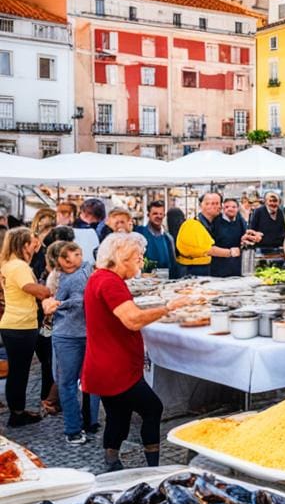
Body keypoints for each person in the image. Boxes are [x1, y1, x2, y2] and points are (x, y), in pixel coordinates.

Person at [82, 233, 193, 471]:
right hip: (115, 367)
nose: (141, 263)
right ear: (121, 259)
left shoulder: (98, 277)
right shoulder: (110, 282)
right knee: (152, 408)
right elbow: (132, 320)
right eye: (138, 258)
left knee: (118, 416)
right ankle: (152, 466)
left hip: (104, 363)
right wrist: (167, 307)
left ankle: (112, 461)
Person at [42, 241, 100, 443]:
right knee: (68, 383)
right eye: (64, 257)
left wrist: (58, 304)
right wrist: (51, 303)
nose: (70, 260)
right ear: (57, 260)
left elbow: (82, 299)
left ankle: (89, 422)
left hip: (85, 334)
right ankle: (73, 428)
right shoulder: (58, 277)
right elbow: (51, 300)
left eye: (73, 254)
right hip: (67, 335)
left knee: (89, 381)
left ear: (80, 253)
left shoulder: (88, 270)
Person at [0, 228, 53, 426]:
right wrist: (47, 290)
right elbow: (30, 289)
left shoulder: (8, 264)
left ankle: (17, 410)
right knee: (19, 372)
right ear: (23, 244)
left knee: (17, 371)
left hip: (13, 323)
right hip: (21, 325)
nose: (35, 246)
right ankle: (17, 414)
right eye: (32, 243)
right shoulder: (19, 266)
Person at [175, 192, 242, 277]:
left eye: (217, 203)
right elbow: (208, 250)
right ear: (201, 205)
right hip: (191, 270)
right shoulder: (192, 224)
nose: (213, 206)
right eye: (208, 203)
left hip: (208, 269)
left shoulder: (213, 224)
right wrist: (230, 252)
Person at [211, 198, 256, 277]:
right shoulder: (215, 222)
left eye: (234, 207)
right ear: (223, 209)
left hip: (237, 263)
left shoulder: (240, 221)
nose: (230, 209)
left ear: (238, 209)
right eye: (227, 207)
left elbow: (244, 237)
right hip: (219, 264)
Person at [135, 201, 179, 278]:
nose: (158, 216)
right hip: (144, 282)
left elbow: (173, 265)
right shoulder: (139, 234)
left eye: (161, 214)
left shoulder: (168, 238)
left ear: (164, 215)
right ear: (148, 215)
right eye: (155, 213)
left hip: (166, 282)